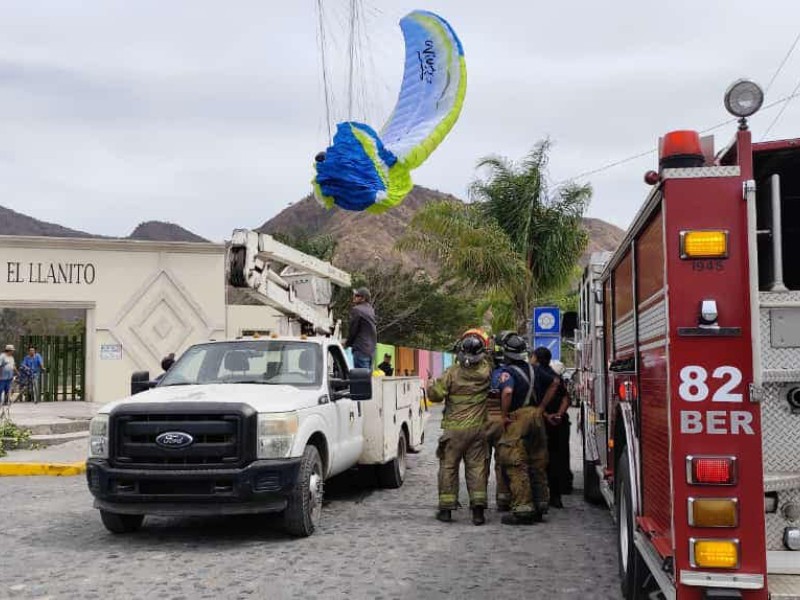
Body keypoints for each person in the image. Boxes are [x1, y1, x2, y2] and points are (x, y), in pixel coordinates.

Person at [427, 333, 491, 525]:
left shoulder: (452, 373)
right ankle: (478, 512)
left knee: (448, 467)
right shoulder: (487, 372)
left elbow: (435, 397)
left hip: (454, 431)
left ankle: (446, 510)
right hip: (478, 430)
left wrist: (431, 384)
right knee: (477, 468)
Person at [494, 334, 548, 525]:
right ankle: (541, 504)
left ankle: (523, 510)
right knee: (537, 463)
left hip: (519, 418)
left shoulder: (507, 372)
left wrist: (503, 414)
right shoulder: (535, 369)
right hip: (536, 417)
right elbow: (556, 382)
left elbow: (507, 391)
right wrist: (542, 407)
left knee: (515, 463)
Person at [532, 347, 570, 509]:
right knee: (556, 459)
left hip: (542, 423)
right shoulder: (556, 375)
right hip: (558, 423)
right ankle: (556, 497)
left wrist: (545, 415)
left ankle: (540, 498)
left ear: (536, 358)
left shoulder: (535, 375)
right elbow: (566, 398)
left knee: (539, 460)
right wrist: (559, 415)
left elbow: (533, 401)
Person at [483, 331, 514, 512]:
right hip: (502, 421)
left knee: (481, 463)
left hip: (483, 420)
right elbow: (509, 393)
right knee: (502, 462)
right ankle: (503, 500)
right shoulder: (508, 374)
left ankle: (479, 500)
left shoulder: (482, 373)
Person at [549, 359, 574, 496]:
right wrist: (559, 415)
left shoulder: (550, 382)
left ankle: (555, 485)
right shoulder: (560, 383)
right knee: (562, 454)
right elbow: (566, 400)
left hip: (551, 422)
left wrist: (549, 416)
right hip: (561, 422)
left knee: (551, 455)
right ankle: (564, 485)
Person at [344, 287, 377, 370]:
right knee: (367, 380)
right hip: (370, 351)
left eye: (357, 295)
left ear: (363, 298)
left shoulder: (357, 310)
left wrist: (346, 344)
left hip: (360, 349)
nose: (354, 297)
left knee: (360, 380)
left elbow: (353, 331)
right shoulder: (371, 310)